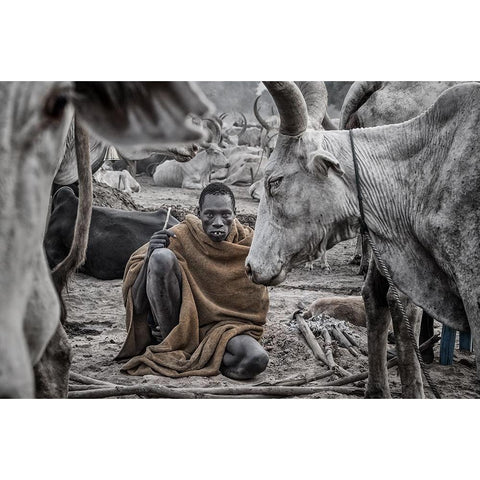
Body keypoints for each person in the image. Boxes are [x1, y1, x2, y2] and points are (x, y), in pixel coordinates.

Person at [115, 182, 270, 380]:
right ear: (199, 213)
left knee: (257, 360)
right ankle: (174, 344)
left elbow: (256, 304)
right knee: (161, 257)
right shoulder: (179, 236)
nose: (217, 222)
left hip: (226, 328)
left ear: (234, 214)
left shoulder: (248, 244)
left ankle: (205, 358)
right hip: (182, 325)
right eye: (210, 214)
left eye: (225, 215)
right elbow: (136, 302)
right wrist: (150, 256)